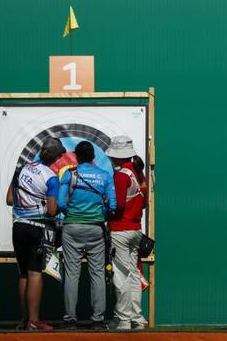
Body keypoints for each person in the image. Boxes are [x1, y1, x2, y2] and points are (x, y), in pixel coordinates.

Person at [6, 136, 65, 331]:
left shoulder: (21, 168)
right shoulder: (51, 177)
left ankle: (24, 320)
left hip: (18, 226)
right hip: (37, 228)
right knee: (35, 272)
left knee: (23, 274)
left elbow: (9, 199)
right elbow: (51, 211)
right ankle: (34, 320)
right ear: (57, 157)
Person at [57, 141, 117, 330]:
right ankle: (98, 319)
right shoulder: (105, 175)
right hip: (96, 228)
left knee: (71, 274)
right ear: (93, 156)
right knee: (97, 273)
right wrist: (98, 214)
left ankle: (69, 319)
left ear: (76, 156)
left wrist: (72, 214)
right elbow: (112, 206)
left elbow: (60, 203)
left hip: (72, 228)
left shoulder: (70, 173)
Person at [105, 136, 148, 331]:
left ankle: (123, 320)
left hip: (120, 230)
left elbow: (119, 205)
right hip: (136, 229)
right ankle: (136, 318)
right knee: (134, 273)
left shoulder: (121, 175)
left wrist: (106, 208)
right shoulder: (139, 174)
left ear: (116, 156)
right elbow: (144, 204)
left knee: (121, 275)